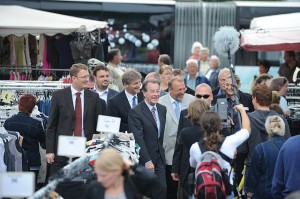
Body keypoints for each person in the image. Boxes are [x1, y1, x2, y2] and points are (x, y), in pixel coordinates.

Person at [46, 63, 102, 175]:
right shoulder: (59, 96)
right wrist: (50, 151)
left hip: (85, 149)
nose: (87, 79)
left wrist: (96, 150)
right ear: (74, 78)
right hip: (62, 150)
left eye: (87, 76)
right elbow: (51, 126)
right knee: (59, 185)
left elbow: (97, 126)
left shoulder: (94, 97)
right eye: (84, 77)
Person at [189, 104, 251, 198]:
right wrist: (242, 110)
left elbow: (193, 164)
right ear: (219, 124)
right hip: (225, 191)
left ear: (202, 125)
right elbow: (247, 130)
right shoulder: (229, 142)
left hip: (202, 192)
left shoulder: (195, 147)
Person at [245, 84, 291, 184]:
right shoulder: (280, 119)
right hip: (277, 168)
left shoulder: (247, 119)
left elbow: (242, 148)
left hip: (253, 167)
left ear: (255, 98)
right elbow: (287, 144)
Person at [128, 79, 167, 195]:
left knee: (161, 189)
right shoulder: (135, 112)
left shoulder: (162, 109)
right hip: (144, 159)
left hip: (159, 157)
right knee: (146, 192)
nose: (156, 94)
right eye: (152, 91)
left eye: (158, 91)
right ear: (144, 93)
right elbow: (138, 138)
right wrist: (147, 160)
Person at [158, 77, 194, 199]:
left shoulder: (192, 100)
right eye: (179, 90)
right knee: (171, 189)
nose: (182, 92)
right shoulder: (160, 102)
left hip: (187, 155)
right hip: (168, 153)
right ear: (170, 89)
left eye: (184, 89)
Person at [85, 148, 166, 199]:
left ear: (117, 171)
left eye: (103, 175)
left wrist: (132, 166)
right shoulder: (93, 189)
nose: (99, 179)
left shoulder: (132, 185)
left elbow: (154, 181)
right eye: (97, 174)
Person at [172, 100, 209, 199]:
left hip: (188, 172)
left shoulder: (185, 132)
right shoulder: (212, 131)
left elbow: (178, 147)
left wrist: (175, 168)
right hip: (208, 173)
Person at [4, 94, 46, 183]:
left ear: (20, 105)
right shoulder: (36, 123)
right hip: (32, 161)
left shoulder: (8, 122)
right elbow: (44, 142)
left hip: (13, 161)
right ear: (33, 107)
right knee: (30, 189)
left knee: (14, 189)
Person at [245, 115, 286, 199]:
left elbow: (254, 175)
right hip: (285, 193)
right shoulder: (290, 147)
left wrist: (249, 192)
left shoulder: (260, 148)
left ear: (268, 128)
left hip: (263, 193)